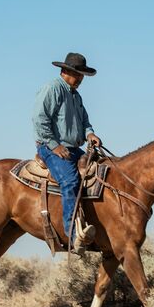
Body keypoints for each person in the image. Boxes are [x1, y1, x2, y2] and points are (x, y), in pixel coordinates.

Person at [32, 52, 103, 252]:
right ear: (65, 71)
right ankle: (72, 235)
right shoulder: (52, 89)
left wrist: (90, 134)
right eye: (77, 74)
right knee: (70, 181)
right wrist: (55, 145)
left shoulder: (75, 95)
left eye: (82, 75)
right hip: (50, 147)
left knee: (102, 168)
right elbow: (39, 119)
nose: (80, 79)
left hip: (73, 147)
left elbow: (85, 122)